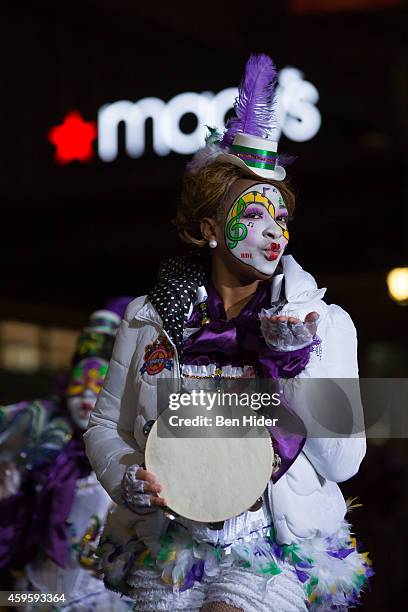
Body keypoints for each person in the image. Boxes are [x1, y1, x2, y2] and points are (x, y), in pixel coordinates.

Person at [84, 54, 372, 612]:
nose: (274, 234)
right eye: (255, 215)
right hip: (170, 544)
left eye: (281, 219)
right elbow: (105, 427)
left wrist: (299, 363)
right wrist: (127, 481)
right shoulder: (150, 318)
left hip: (271, 547)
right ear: (210, 229)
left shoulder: (325, 323)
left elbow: (344, 463)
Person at [0, 299, 134, 611]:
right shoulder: (43, 455)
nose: (87, 395)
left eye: (99, 384)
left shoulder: (138, 453)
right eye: (78, 384)